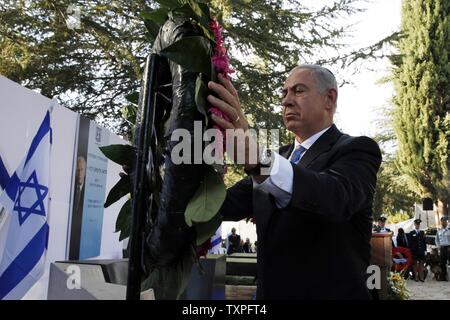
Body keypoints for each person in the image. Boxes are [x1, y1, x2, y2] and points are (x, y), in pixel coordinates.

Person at [208, 65, 382, 299]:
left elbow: (334, 197)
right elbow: (220, 206)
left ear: (329, 99)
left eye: (298, 91)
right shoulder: (277, 159)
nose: (286, 101)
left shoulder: (357, 150)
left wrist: (256, 159)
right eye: (284, 94)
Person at [435, 216, 450, 281]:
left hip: (448, 248)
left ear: (447, 222)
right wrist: (438, 247)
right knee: (442, 263)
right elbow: (436, 240)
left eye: (445, 221)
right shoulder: (439, 230)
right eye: (442, 221)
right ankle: (444, 277)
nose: (443, 222)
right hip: (442, 248)